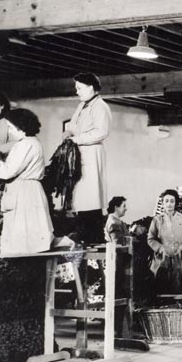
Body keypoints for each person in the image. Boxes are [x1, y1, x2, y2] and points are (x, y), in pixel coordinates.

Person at [0, 109, 54, 254]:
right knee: (32, 239)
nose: (9, 132)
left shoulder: (25, 145)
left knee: (23, 241)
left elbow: (8, 172)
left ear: (21, 127)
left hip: (24, 193)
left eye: (11, 127)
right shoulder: (32, 142)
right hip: (29, 190)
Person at [65, 72, 112, 246]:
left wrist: (77, 139)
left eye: (79, 88)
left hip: (92, 153)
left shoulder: (100, 107)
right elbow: (73, 124)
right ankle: (84, 234)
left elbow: (102, 131)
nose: (77, 91)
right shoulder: (82, 106)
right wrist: (68, 132)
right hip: (81, 153)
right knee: (82, 197)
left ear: (90, 87)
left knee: (92, 197)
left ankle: (93, 236)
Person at [147, 189, 182, 293]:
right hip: (162, 258)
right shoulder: (157, 220)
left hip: (180, 257)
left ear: (176, 203)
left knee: (180, 287)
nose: (169, 204)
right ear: (163, 203)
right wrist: (161, 248)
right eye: (166, 201)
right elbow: (151, 238)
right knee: (161, 287)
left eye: (172, 201)